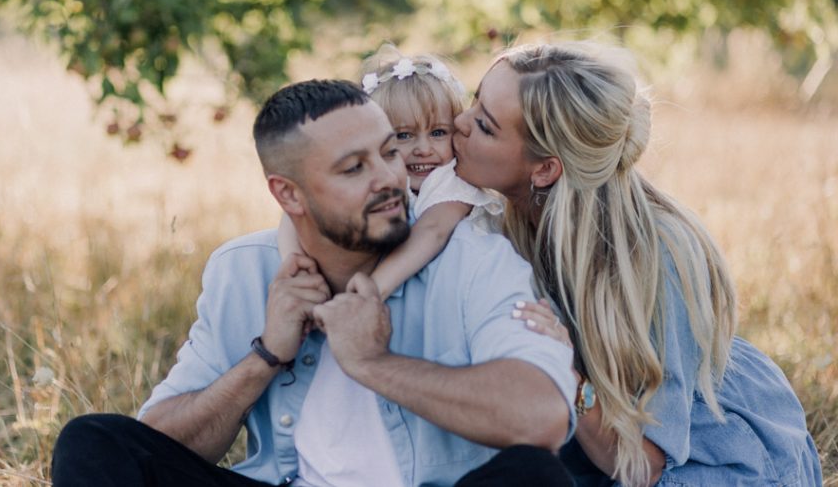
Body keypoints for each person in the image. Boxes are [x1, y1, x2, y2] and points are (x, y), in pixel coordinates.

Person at [50, 79, 577, 486]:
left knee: (535, 477)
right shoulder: (245, 269)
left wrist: (374, 363)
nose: (389, 179)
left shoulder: (474, 260)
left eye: (389, 152)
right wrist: (265, 356)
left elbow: (541, 419)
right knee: (94, 443)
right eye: (353, 169)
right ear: (289, 195)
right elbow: (160, 445)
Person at [446, 42, 823, 487]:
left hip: (697, 462)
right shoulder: (499, 216)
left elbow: (643, 467)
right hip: (594, 443)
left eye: (485, 126)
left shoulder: (657, 258)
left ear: (545, 170)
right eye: (475, 100)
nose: (459, 123)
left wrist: (566, 373)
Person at [277, 47, 502, 299]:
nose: (424, 150)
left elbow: (433, 230)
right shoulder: (375, 176)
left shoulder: (451, 181)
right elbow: (301, 210)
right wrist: (294, 262)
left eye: (438, 132)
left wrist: (370, 291)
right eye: (403, 136)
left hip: (461, 292)